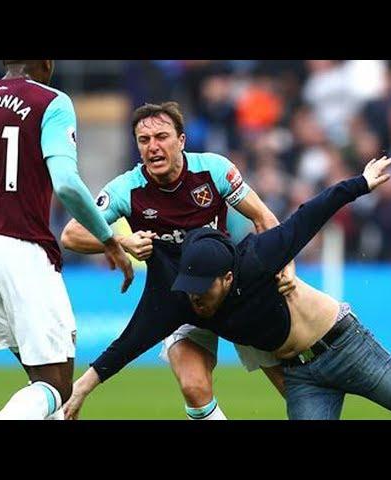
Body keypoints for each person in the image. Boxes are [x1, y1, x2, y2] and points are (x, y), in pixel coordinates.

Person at [66, 156, 391, 420]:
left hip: (344, 346)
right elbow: (129, 343)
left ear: (227, 278)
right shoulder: (185, 302)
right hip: (301, 376)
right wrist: (82, 389)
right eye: (190, 289)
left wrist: (361, 183)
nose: (195, 298)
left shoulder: (259, 259)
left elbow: (310, 213)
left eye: (202, 290)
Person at [0, 60, 133, 420]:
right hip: (21, 250)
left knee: (42, 380)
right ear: (46, 62)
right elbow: (66, 184)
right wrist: (109, 239)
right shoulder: (52, 102)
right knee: (57, 386)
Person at [60, 101, 294, 419]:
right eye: (144, 140)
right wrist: (122, 242)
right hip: (181, 297)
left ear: (181, 140)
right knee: (194, 388)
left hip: (229, 289)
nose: (153, 147)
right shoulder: (127, 189)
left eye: (162, 136)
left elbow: (264, 219)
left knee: (289, 385)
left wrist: (286, 266)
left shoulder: (213, 169)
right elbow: (72, 235)